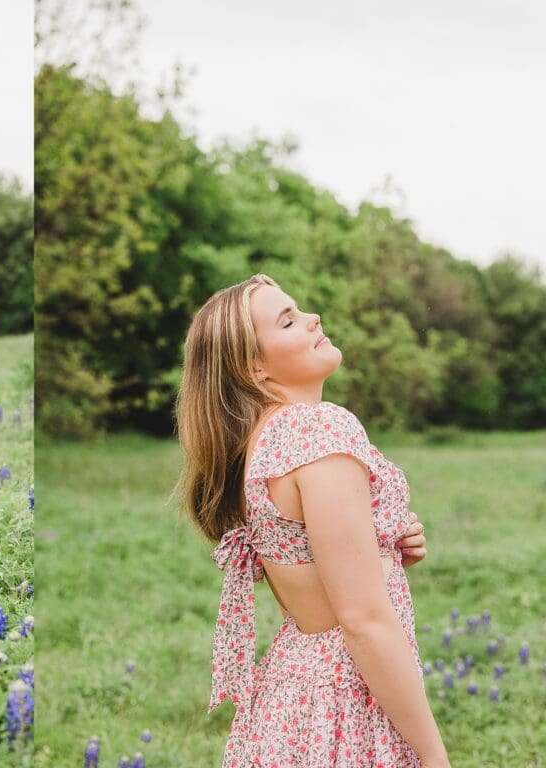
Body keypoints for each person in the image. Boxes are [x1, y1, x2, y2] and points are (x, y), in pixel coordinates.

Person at [174, 274, 450, 767]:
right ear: (254, 369)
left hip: (294, 700)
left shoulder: (258, 445)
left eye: (298, 309)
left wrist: (381, 549)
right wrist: (434, 758)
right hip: (349, 699)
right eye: (288, 320)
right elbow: (362, 622)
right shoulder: (317, 431)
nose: (312, 318)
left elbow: (310, 572)